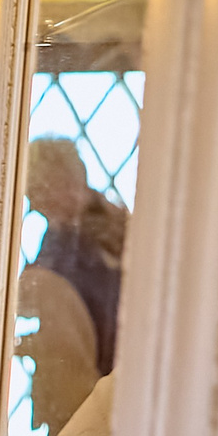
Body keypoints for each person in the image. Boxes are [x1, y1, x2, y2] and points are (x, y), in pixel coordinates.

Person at [25, 135, 127, 369]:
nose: (35, 205)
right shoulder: (59, 232)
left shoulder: (111, 229)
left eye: (38, 190)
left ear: (68, 180)